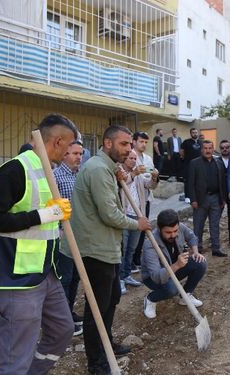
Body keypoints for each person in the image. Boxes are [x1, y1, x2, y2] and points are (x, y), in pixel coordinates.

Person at [0, 114, 77, 374]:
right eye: (68, 147)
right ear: (58, 141)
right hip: (17, 276)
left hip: (45, 272)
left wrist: (53, 221)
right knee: (17, 354)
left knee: (63, 330)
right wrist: (43, 215)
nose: (69, 154)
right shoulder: (16, 169)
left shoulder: (46, 170)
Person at [70, 125, 151, 374]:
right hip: (96, 249)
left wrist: (119, 180)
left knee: (112, 298)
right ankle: (96, 362)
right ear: (107, 143)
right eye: (124, 144)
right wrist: (137, 223)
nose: (129, 149)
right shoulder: (97, 169)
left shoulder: (107, 168)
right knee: (97, 307)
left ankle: (107, 345)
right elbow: (109, 214)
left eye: (130, 144)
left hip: (108, 246)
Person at [141, 209, 207, 319]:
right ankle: (151, 298)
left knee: (200, 262)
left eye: (175, 231)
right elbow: (157, 277)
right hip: (153, 278)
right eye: (168, 232)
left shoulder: (179, 227)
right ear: (159, 228)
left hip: (174, 268)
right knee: (172, 289)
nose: (173, 235)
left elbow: (191, 237)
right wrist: (177, 265)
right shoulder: (150, 244)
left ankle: (185, 296)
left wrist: (195, 252)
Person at [54, 140, 85, 336]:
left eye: (81, 154)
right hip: (64, 236)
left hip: (79, 235)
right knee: (64, 278)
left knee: (75, 277)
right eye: (75, 153)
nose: (79, 157)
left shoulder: (78, 176)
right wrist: (58, 230)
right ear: (64, 154)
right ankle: (62, 321)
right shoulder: (56, 176)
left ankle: (68, 312)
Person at [119, 149, 158, 294]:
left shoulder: (139, 175)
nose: (133, 161)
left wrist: (154, 177)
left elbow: (150, 186)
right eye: (130, 158)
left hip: (137, 216)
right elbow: (122, 182)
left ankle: (127, 274)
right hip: (124, 216)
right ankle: (119, 279)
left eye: (135, 158)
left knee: (131, 248)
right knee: (122, 250)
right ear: (124, 158)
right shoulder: (120, 172)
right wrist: (134, 174)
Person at [188, 140, 227, 257]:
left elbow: (223, 182)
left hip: (215, 198)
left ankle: (216, 248)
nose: (208, 150)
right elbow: (190, 183)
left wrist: (223, 199)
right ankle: (197, 249)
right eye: (205, 148)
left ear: (213, 149)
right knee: (198, 226)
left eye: (210, 148)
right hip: (200, 200)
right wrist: (193, 199)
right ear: (201, 150)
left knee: (215, 225)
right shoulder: (194, 163)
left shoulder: (218, 162)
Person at [131, 131, 156, 269]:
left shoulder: (147, 158)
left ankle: (136, 258)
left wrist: (154, 177)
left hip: (145, 197)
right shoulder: (130, 156)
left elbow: (150, 175)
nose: (144, 144)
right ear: (134, 141)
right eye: (141, 141)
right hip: (132, 199)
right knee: (133, 228)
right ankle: (129, 260)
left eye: (146, 142)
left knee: (143, 227)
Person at [217, 139, 230, 246]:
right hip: (220, 193)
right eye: (222, 148)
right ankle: (214, 239)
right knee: (216, 217)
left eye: (227, 147)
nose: (224, 149)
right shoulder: (216, 161)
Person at [181, 128, 202, 203]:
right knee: (188, 180)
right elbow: (182, 152)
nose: (195, 134)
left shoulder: (201, 142)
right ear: (190, 133)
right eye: (193, 132)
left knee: (198, 180)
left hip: (199, 165)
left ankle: (197, 196)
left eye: (196, 132)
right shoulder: (186, 142)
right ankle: (187, 196)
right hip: (189, 164)